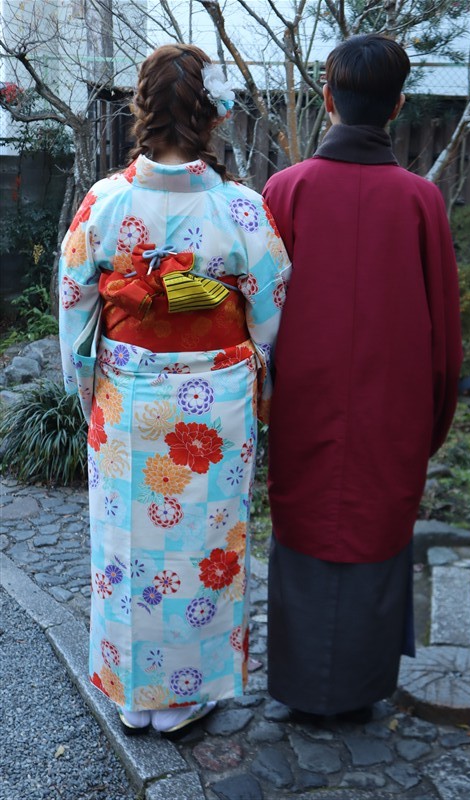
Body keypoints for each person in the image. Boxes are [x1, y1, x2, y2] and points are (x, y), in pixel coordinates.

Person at [59, 44, 291, 736]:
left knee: (125, 547)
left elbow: (75, 310)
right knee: (204, 545)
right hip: (214, 406)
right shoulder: (242, 209)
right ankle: (187, 692)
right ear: (212, 117)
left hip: (124, 398)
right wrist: (256, 381)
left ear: (141, 109)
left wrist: (88, 392)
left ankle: (133, 693)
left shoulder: (105, 201)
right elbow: (270, 315)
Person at [263, 34, 463, 721]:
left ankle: (299, 689)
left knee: (304, 528)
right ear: (398, 105)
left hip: (302, 403)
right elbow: (444, 335)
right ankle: (362, 690)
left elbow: (259, 318)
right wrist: (431, 420)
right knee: (376, 529)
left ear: (327, 98)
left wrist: (263, 401)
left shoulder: (286, 190)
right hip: (392, 408)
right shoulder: (420, 200)